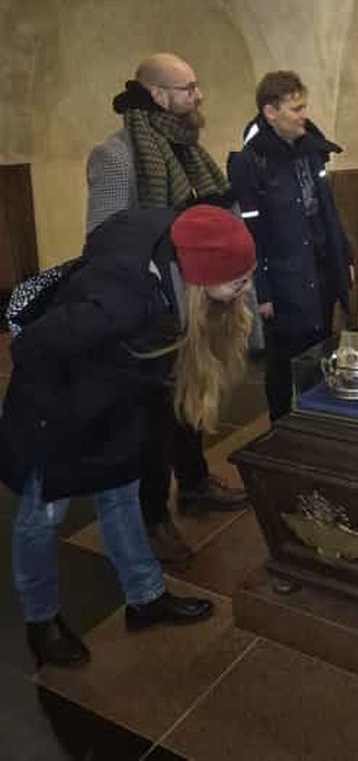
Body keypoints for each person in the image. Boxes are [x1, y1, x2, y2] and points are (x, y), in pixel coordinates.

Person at [0, 205, 255, 668]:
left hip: (112, 397)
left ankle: (146, 598)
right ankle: (41, 621)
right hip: (55, 407)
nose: (247, 288)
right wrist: (54, 420)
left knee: (120, 496)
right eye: (238, 280)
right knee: (42, 516)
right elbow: (32, 345)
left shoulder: (175, 265)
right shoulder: (121, 303)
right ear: (202, 278)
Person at [86, 53, 247, 565]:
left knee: (189, 403)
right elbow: (105, 239)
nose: (198, 97)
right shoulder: (116, 156)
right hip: (151, 309)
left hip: (196, 301)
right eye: (188, 89)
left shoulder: (185, 149)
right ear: (158, 95)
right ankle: (153, 518)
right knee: (152, 423)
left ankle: (196, 483)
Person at [227, 70, 354, 421]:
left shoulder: (311, 149)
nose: (303, 115)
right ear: (271, 112)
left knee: (321, 350)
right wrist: (262, 291)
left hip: (321, 268)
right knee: (284, 361)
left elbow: (328, 210)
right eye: (295, 108)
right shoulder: (252, 162)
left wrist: (345, 256)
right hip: (285, 277)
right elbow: (252, 232)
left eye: (303, 106)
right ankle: (280, 429)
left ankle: (315, 421)